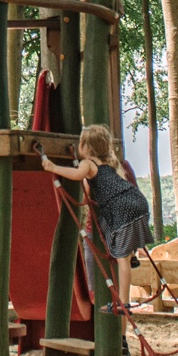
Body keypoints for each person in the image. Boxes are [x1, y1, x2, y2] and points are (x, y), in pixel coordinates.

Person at [41, 124, 151, 311]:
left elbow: (77, 174)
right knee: (124, 254)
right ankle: (130, 265)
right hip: (137, 201)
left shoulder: (88, 163)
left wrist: (53, 167)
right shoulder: (112, 162)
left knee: (115, 256)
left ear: (85, 146)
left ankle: (120, 301)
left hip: (120, 206)